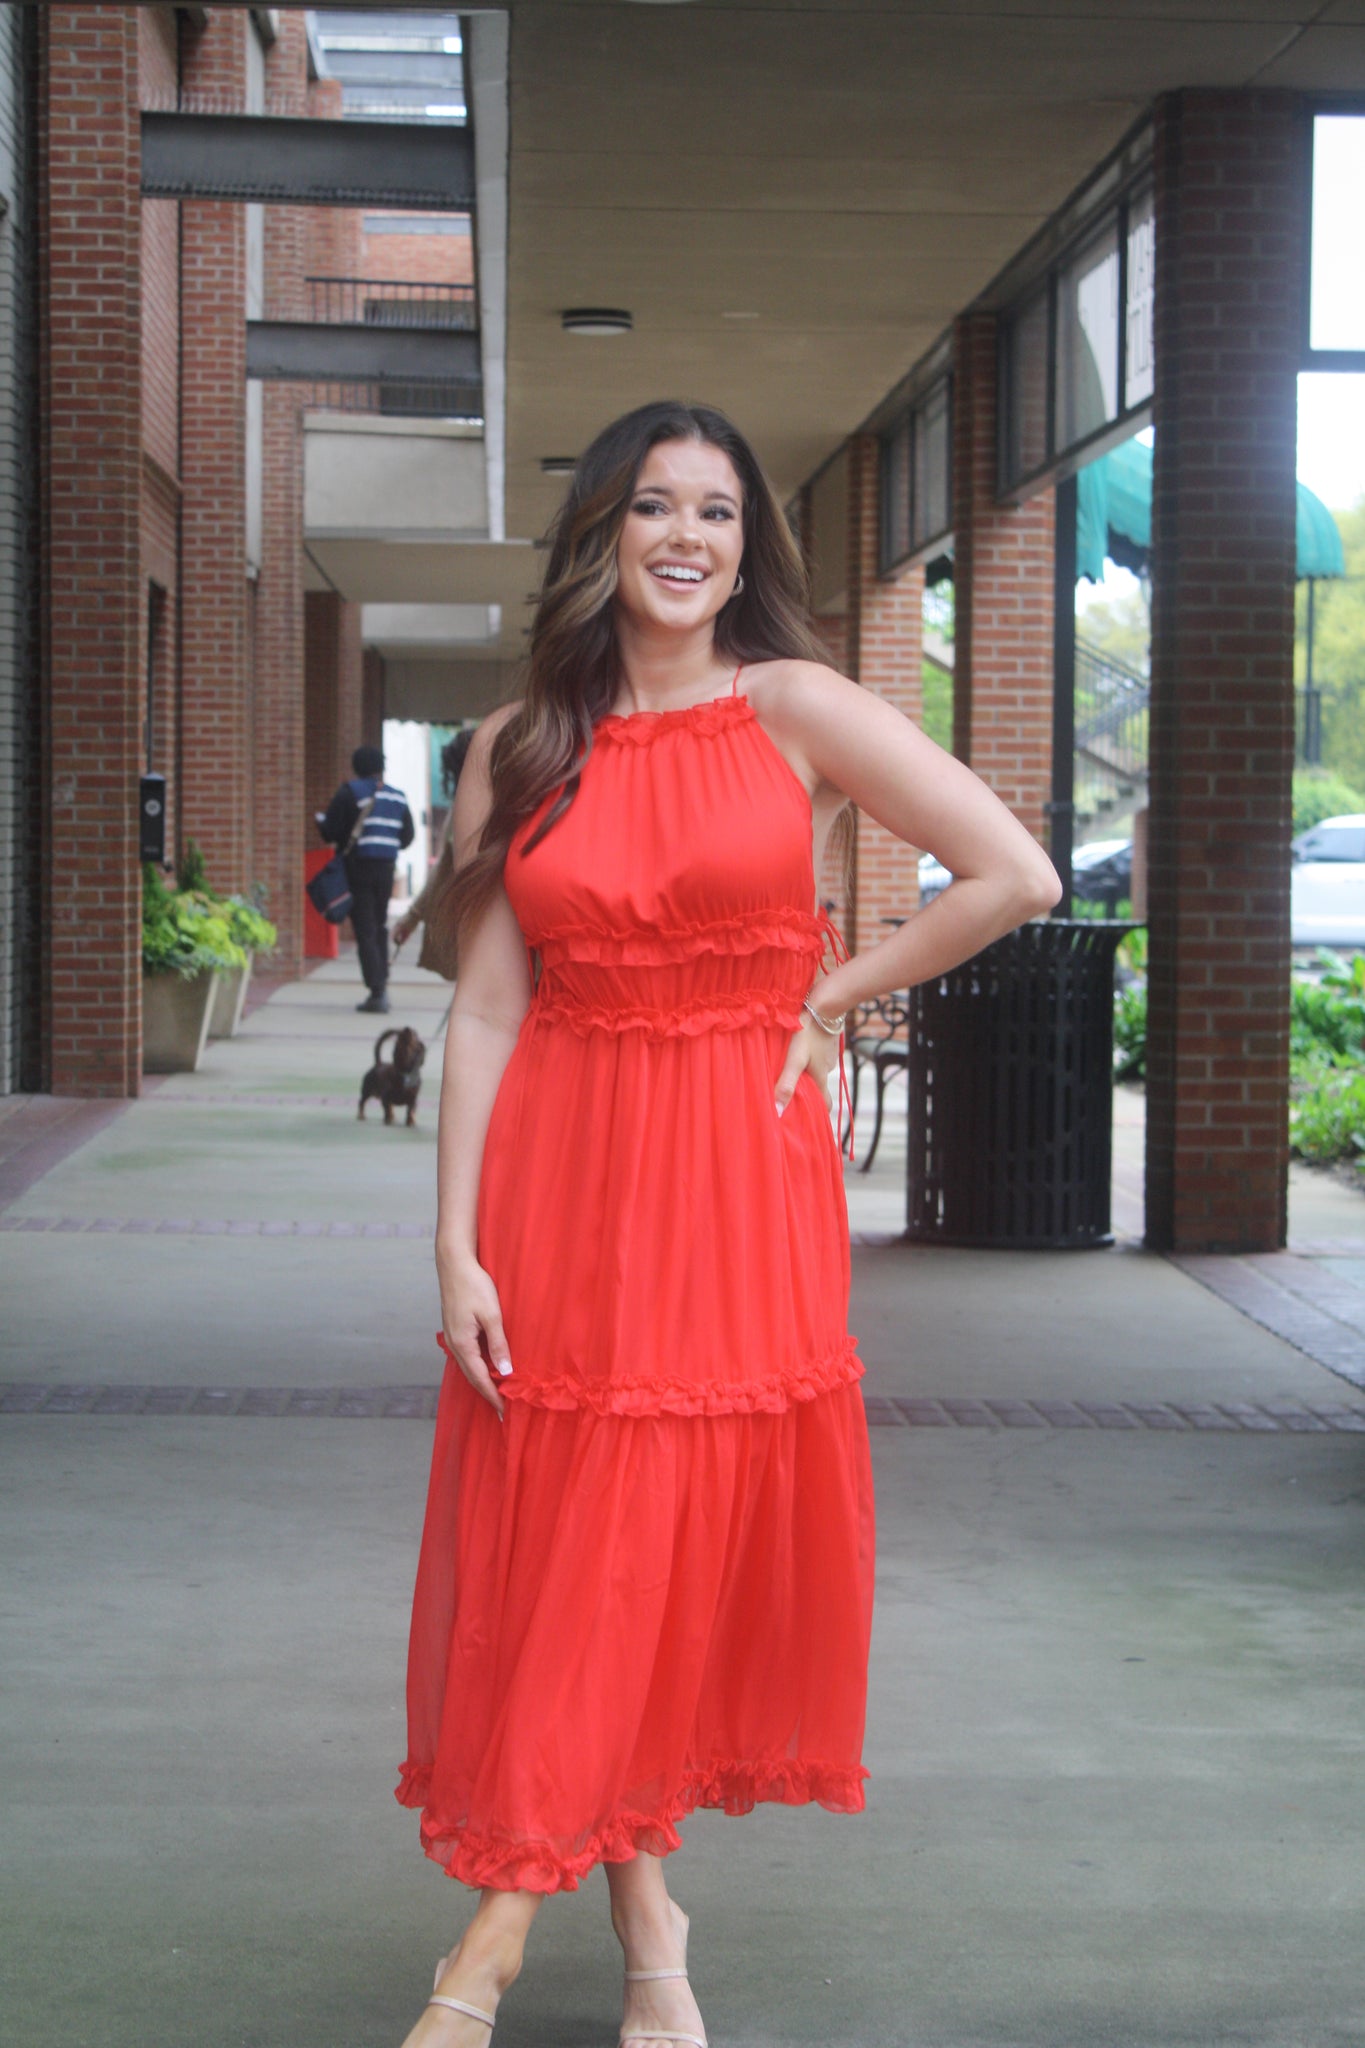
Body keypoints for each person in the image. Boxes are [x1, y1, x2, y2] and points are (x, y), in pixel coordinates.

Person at [395, 401, 1060, 2048]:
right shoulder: (518, 744)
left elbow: (1011, 870)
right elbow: (485, 1007)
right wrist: (456, 1243)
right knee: (576, 1530)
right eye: (652, 506)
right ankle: (648, 1919)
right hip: (560, 1166)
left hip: (730, 1169)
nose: (686, 535)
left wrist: (830, 989)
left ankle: (484, 1951)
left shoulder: (796, 706)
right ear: (600, 536)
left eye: (717, 511)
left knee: (657, 1516)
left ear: (745, 545)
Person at [317, 744, 414, 1014]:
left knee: (365, 928)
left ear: (357, 767)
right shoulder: (398, 797)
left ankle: (377, 989)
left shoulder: (350, 793)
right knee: (379, 925)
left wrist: (321, 823)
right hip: (386, 869)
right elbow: (407, 838)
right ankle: (380, 982)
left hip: (358, 867)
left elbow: (331, 831)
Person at [392, 729, 473, 981]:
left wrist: (412, 917)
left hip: (473, 920)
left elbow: (444, 870)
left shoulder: (467, 807)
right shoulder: (520, 802)